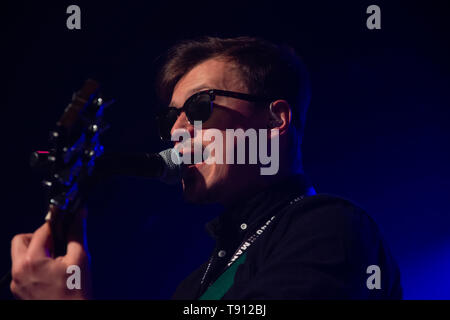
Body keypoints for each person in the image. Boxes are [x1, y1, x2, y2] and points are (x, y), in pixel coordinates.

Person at [9, 36, 402, 300]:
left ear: (275, 119)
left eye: (199, 107)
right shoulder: (194, 285)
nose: (177, 129)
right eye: (170, 119)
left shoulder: (331, 227)